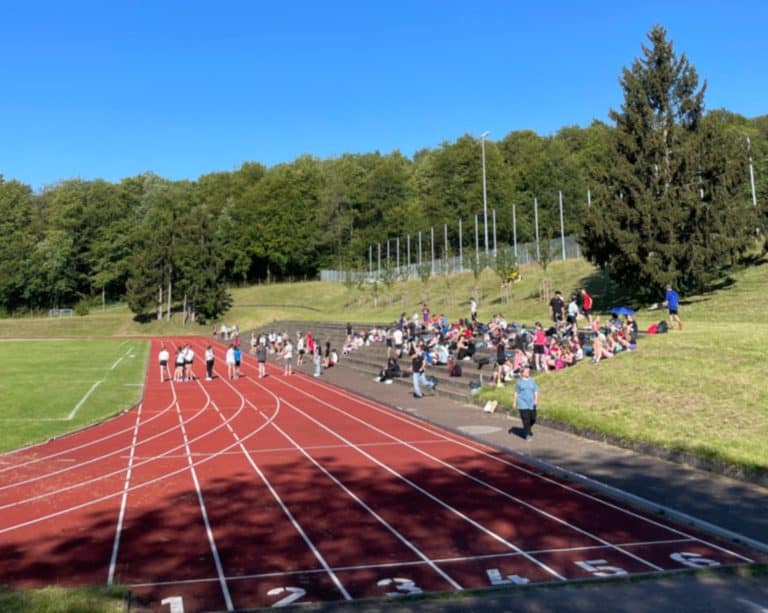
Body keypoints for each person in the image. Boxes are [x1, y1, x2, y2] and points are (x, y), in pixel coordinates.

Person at [513, 367, 539, 441]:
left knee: (533, 419)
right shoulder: (519, 382)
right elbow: (516, 392)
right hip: (522, 403)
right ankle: (527, 434)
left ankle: (527, 428)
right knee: (526, 419)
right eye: (526, 372)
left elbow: (536, 391)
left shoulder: (532, 381)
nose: (528, 373)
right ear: (522, 373)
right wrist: (514, 402)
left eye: (528, 371)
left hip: (531, 403)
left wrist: (536, 399)